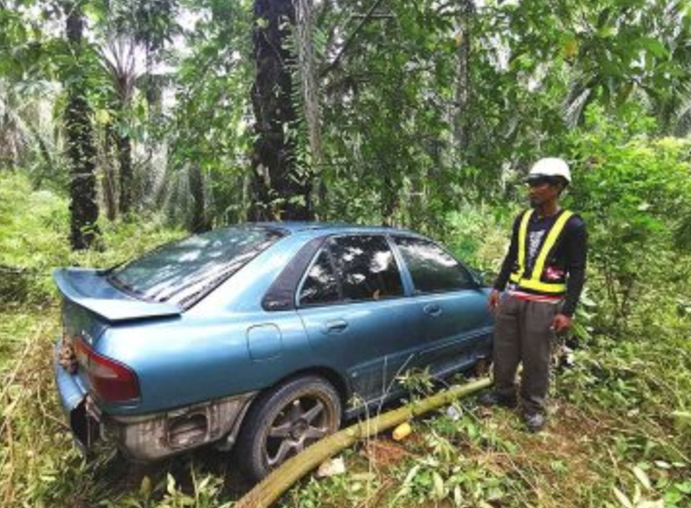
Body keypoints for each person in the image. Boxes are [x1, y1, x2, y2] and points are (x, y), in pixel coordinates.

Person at [481, 157, 587, 432]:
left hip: (544, 304)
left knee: (535, 357)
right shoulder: (524, 218)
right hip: (513, 297)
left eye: (538, 184)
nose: (531, 189)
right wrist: (498, 287)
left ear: (557, 187)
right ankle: (503, 392)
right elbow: (512, 255)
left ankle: (533, 407)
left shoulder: (572, 225)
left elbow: (577, 271)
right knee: (503, 349)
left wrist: (567, 311)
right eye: (530, 184)